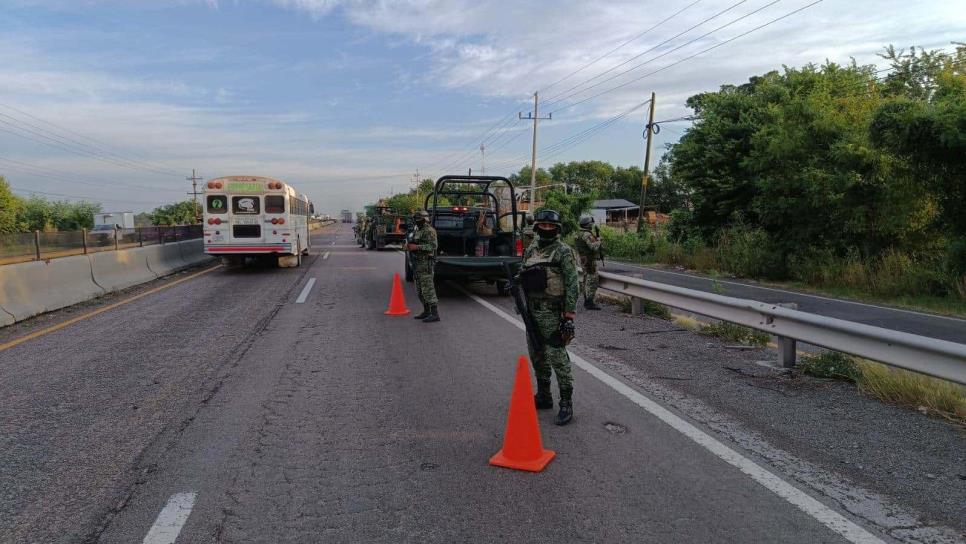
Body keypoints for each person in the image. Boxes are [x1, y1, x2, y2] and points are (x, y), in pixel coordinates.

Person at [518, 209, 579, 425]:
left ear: (557, 228)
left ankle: (566, 402)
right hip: (532, 311)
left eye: (549, 226)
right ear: (536, 227)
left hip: (553, 312)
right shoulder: (531, 249)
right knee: (537, 355)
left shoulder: (563, 251)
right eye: (542, 225)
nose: (546, 229)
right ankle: (544, 396)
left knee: (558, 358)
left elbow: (572, 283)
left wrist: (569, 315)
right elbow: (523, 272)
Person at [407, 209, 440, 323]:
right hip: (417, 264)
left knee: (428, 290)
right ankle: (426, 311)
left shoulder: (429, 231)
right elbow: (413, 242)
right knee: (420, 291)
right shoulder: (418, 230)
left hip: (426, 263)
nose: (416, 222)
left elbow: (433, 246)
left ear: (423, 220)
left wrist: (417, 247)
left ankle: (435, 314)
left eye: (418, 219)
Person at [574, 215, 603, 310]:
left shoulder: (578, 233)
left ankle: (587, 300)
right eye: (591, 224)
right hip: (589, 260)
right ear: (588, 225)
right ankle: (589, 302)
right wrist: (599, 240)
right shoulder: (587, 234)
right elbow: (593, 247)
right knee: (592, 280)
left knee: (586, 279)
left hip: (582, 259)